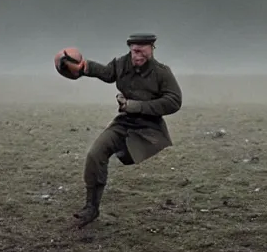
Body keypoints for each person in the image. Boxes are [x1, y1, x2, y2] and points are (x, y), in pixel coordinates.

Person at [67, 33, 183, 228]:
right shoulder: (122, 64)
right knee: (95, 155)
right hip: (124, 123)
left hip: (149, 129)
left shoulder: (162, 73)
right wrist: (83, 67)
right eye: (133, 51)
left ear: (152, 49)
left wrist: (135, 106)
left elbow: (174, 101)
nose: (137, 56)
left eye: (141, 51)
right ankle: (91, 207)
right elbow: (106, 73)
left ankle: (123, 150)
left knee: (127, 156)